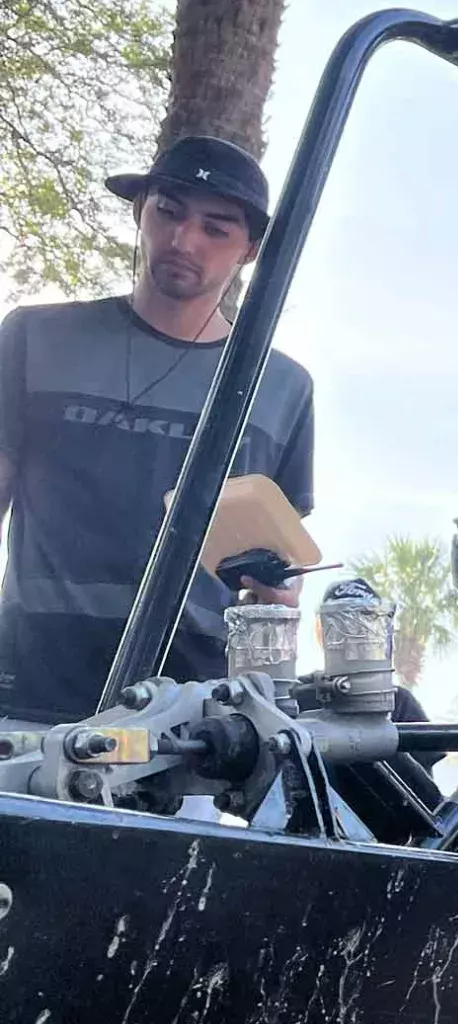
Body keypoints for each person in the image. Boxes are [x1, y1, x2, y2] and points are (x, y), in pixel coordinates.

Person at [0, 136, 313, 730]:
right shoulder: (33, 338)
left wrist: (275, 591)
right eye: (168, 211)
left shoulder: (282, 388)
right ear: (139, 211)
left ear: (248, 249)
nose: (183, 240)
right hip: (28, 689)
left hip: (187, 719)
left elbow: (276, 589)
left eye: (216, 229)